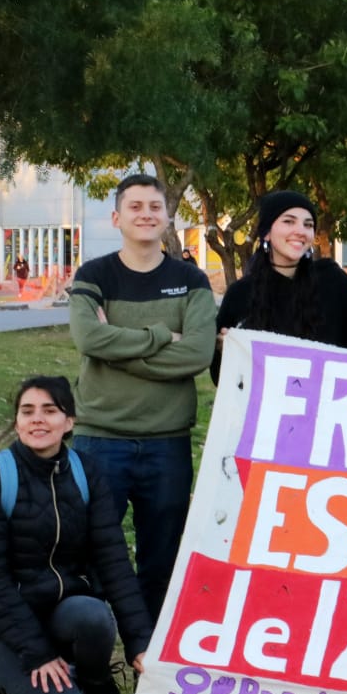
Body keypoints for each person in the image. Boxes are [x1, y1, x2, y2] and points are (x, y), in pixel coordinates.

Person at [0, 376, 153, 694]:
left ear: (70, 422)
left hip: (62, 611)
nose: (38, 419)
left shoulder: (86, 472)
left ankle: (96, 683)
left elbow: (114, 563)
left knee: (93, 616)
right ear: (17, 421)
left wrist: (140, 643)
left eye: (50, 410)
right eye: (27, 411)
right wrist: (38, 654)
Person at [69, 172, 215, 621]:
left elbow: (196, 353)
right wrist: (157, 336)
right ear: (117, 217)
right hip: (99, 439)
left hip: (165, 443)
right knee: (91, 558)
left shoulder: (191, 278)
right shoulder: (94, 274)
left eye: (154, 207)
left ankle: (149, 665)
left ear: (168, 216)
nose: (146, 215)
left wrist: (117, 345)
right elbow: (88, 339)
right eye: (135, 207)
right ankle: (94, 667)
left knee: (161, 562)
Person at [213, 190, 347, 382]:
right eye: (289, 221)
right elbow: (221, 378)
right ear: (266, 233)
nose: (300, 230)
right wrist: (224, 351)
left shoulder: (333, 282)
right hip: (265, 410)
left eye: (308, 224)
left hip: (327, 407)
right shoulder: (240, 294)